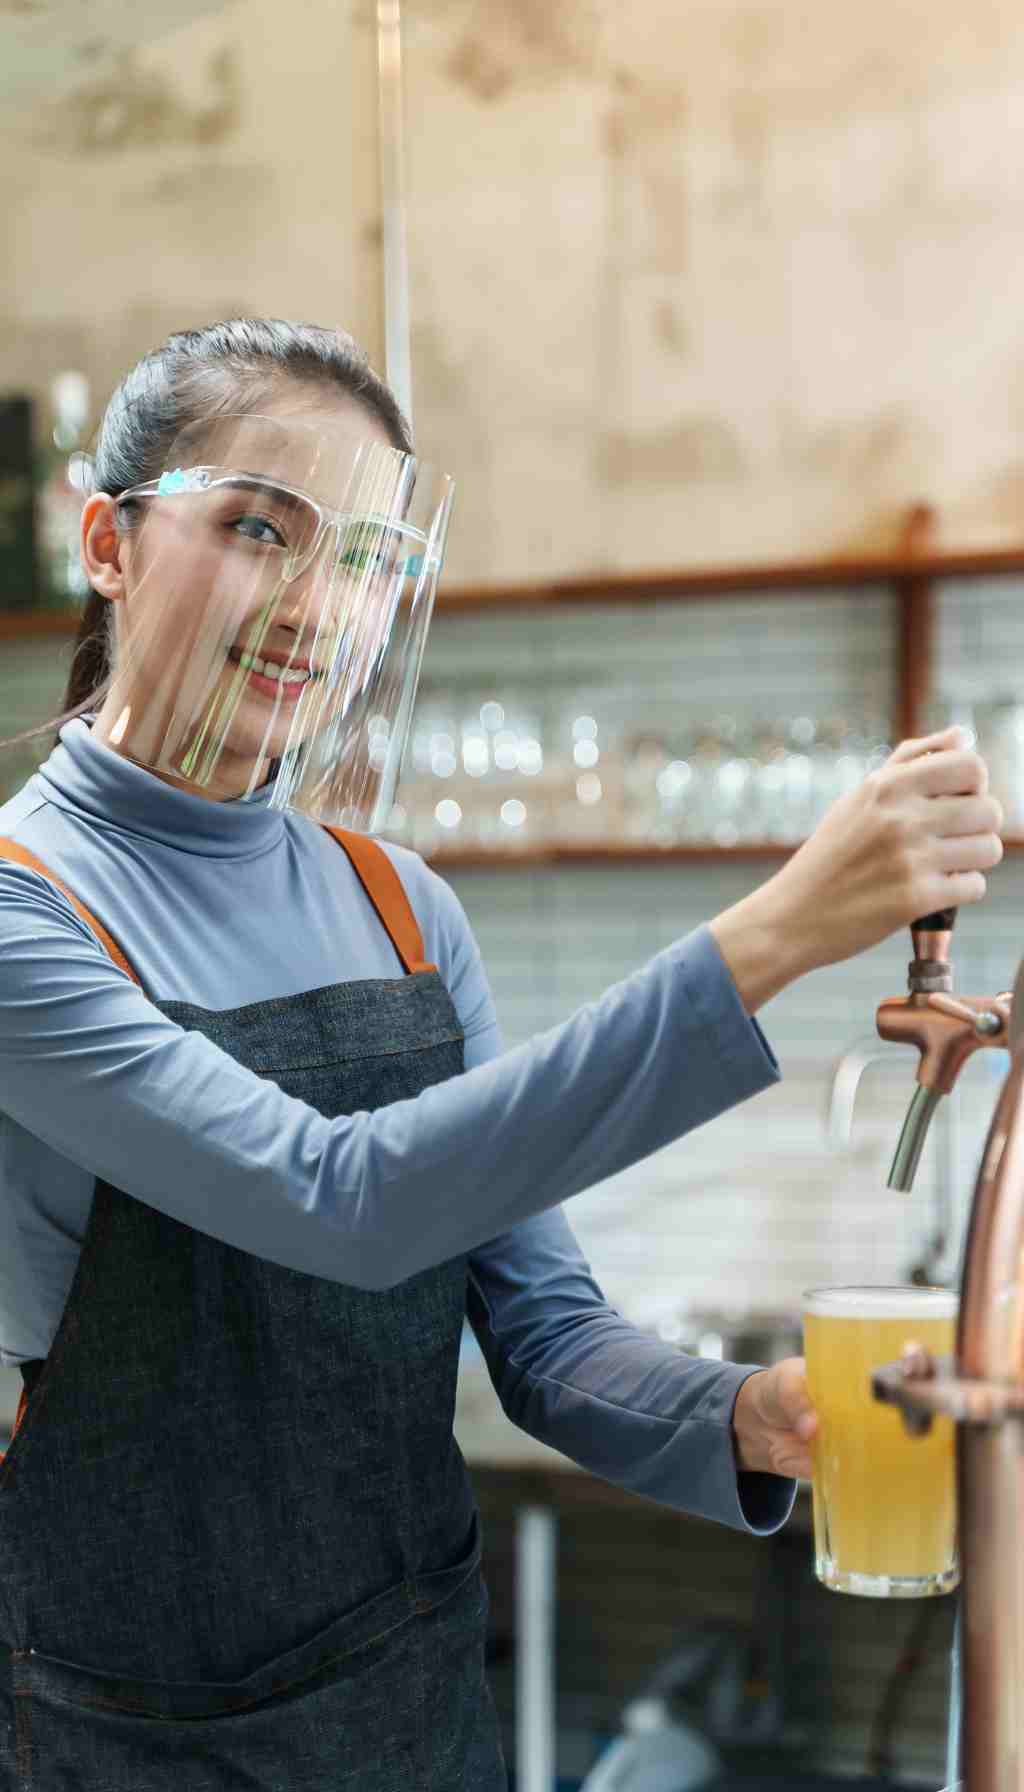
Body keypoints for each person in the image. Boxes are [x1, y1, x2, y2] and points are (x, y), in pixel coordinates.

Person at [0, 318, 1002, 1792]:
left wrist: (740, 1414)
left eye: (363, 561)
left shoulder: (405, 910)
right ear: (109, 541)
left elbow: (542, 1337)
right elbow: (341, 1198)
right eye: (258, 530)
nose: (313, 605)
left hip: (416, 1714)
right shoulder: (29, 911)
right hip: (134, 1740)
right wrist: (781, 929)